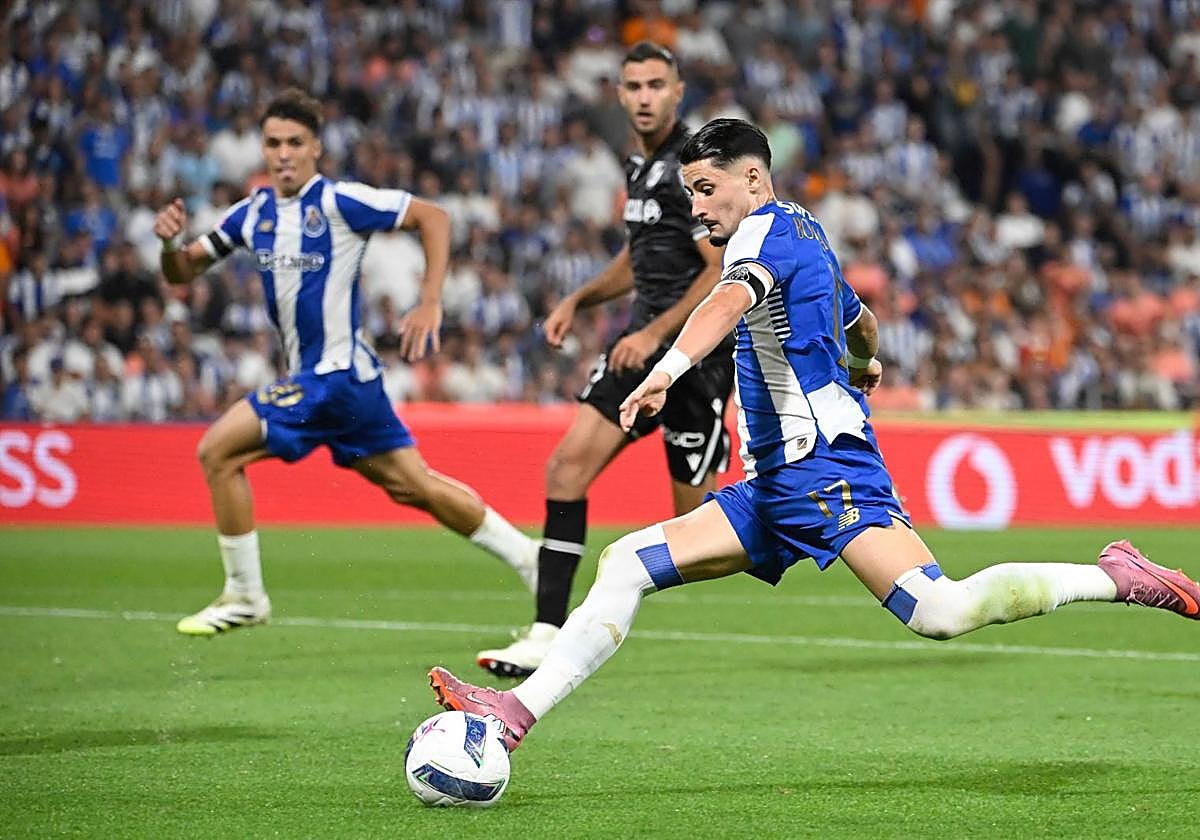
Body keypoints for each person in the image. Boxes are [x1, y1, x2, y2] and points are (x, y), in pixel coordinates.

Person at [428, 119, 1200, 751]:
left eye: (706, 188)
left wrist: (667, 368)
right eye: (689, 192)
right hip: (774, 485)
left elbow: (728, 301)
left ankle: (1117, 575)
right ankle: (513, 714)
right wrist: (865, 364)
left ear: (754, 180)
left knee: (942, 612)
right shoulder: (807, 236)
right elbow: (859, 318)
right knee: (627, 562)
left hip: (826, 472)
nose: (697, 207)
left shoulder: (761, 236)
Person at [156, 88, 538, 636]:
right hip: (344, 383)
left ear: (316, 148)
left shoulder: (338, 203)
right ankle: (529, 556)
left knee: (216, 451)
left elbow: (433, 217)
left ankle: (245, 594)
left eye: (295, 143)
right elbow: (183, 271)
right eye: (273, 143)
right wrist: (171, 246)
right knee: (415, 486)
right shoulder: (253, 213)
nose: (283, 154)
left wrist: (430, 300)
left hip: (333, 378)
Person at [475, 42, 734, 677]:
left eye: (655, 85)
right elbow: (639, 256)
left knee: (692, 531)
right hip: (637, 348)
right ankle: (545, 631)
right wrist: (582, 298)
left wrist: (657, 337)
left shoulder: (689, 167)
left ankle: (791, 523)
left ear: (677, 92)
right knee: (565, 470)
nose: (644, 96)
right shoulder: (638, 165)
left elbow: (717, 269)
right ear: (619, 95)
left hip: (693, 359)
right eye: (633, 86)